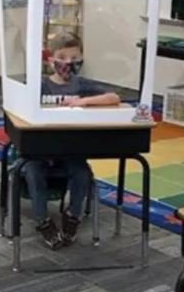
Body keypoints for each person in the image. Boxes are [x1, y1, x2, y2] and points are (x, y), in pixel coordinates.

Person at [23, 32, 121, 250]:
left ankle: (73, 216)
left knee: (82, 172)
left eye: (74, 58)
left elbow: (114, 97)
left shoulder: (80, 84)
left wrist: (83, 100)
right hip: (40, 151)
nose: (69, 63)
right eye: (63, 57)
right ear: (51, 60)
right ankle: (43, 221)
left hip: (70, 150)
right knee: (33, 172)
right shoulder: (40, 85)